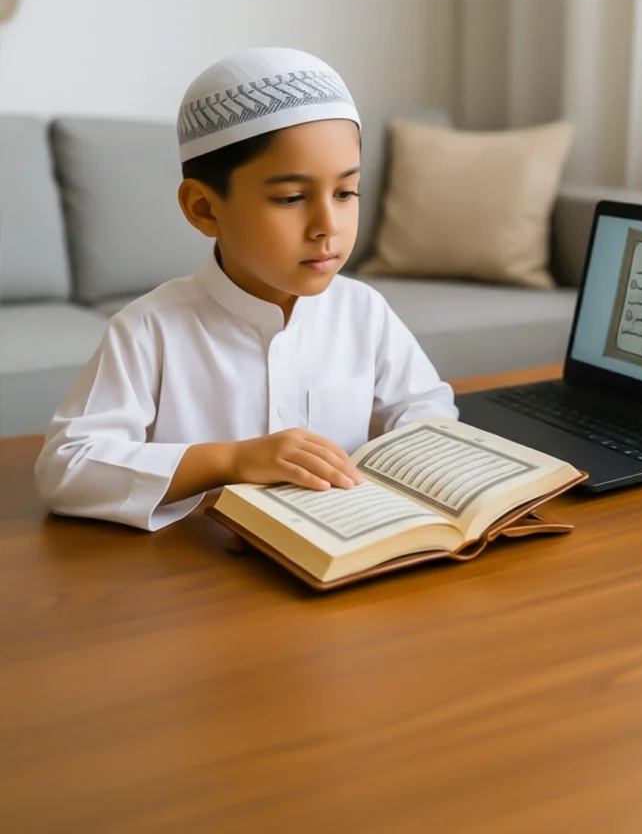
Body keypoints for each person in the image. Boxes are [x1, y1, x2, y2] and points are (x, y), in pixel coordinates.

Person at [34, 47, 458, 530]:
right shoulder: (149, 329)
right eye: (292, 198)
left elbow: (427, 410)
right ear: (204, 209)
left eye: (345, 192)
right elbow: (66, 467)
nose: (328, 225)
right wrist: (230, 462)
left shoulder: (363, 310)